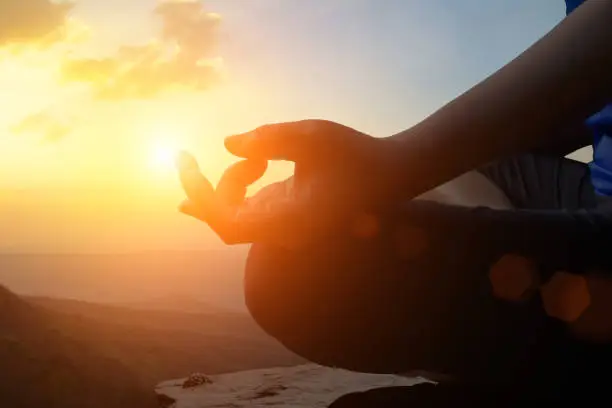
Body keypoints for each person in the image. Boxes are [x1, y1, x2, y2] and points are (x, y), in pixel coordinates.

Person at [176, 0, 612, 402]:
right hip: (592, 187)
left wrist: (400, 162)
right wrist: (366, 184)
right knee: (306, 250)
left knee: (293, 273)